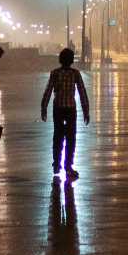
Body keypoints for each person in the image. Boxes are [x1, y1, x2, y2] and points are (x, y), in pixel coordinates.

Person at [40, 48, 90, 179]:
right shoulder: (75, 74)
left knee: (57, 136)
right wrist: (86, 110)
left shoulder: (55, 73)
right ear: (72, 60)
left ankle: (56, 164)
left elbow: (48, 91)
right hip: (70, 109)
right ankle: (68, 166)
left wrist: (43, 107)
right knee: (70, 138)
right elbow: (82, 92)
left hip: (58, 109)